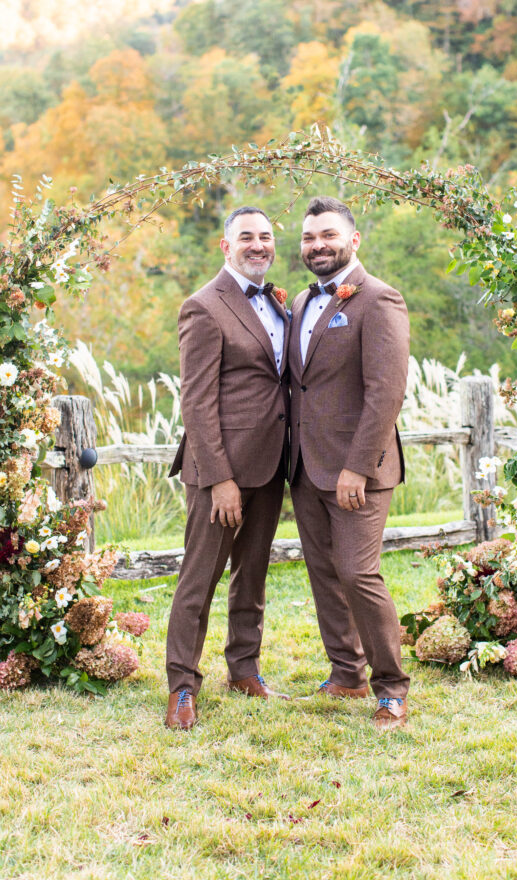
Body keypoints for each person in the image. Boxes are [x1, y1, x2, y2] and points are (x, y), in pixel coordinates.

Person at [165, 206, 290, 730]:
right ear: (226, 246)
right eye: (246, 237)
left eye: (265, 236)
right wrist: (219, 479)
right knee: (199, 579)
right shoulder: (203, 306)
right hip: (219, 472)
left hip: (270, 465)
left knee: (252, 576)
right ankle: (182, 686)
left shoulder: (278, 303)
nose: (258, 245)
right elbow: (196, 402)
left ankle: (244, 669)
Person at [289, 196, 411, 731]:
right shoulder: (300, 301)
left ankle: (392, 689)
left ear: (353, 240)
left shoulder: (379, 299)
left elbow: (386, 392)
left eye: (329, 235)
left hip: (358, 470)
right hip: (304, 465)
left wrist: (358, 466)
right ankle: (346, 673)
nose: (318, 245)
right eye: (309, 237)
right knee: (324, 573)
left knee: (359, 573)